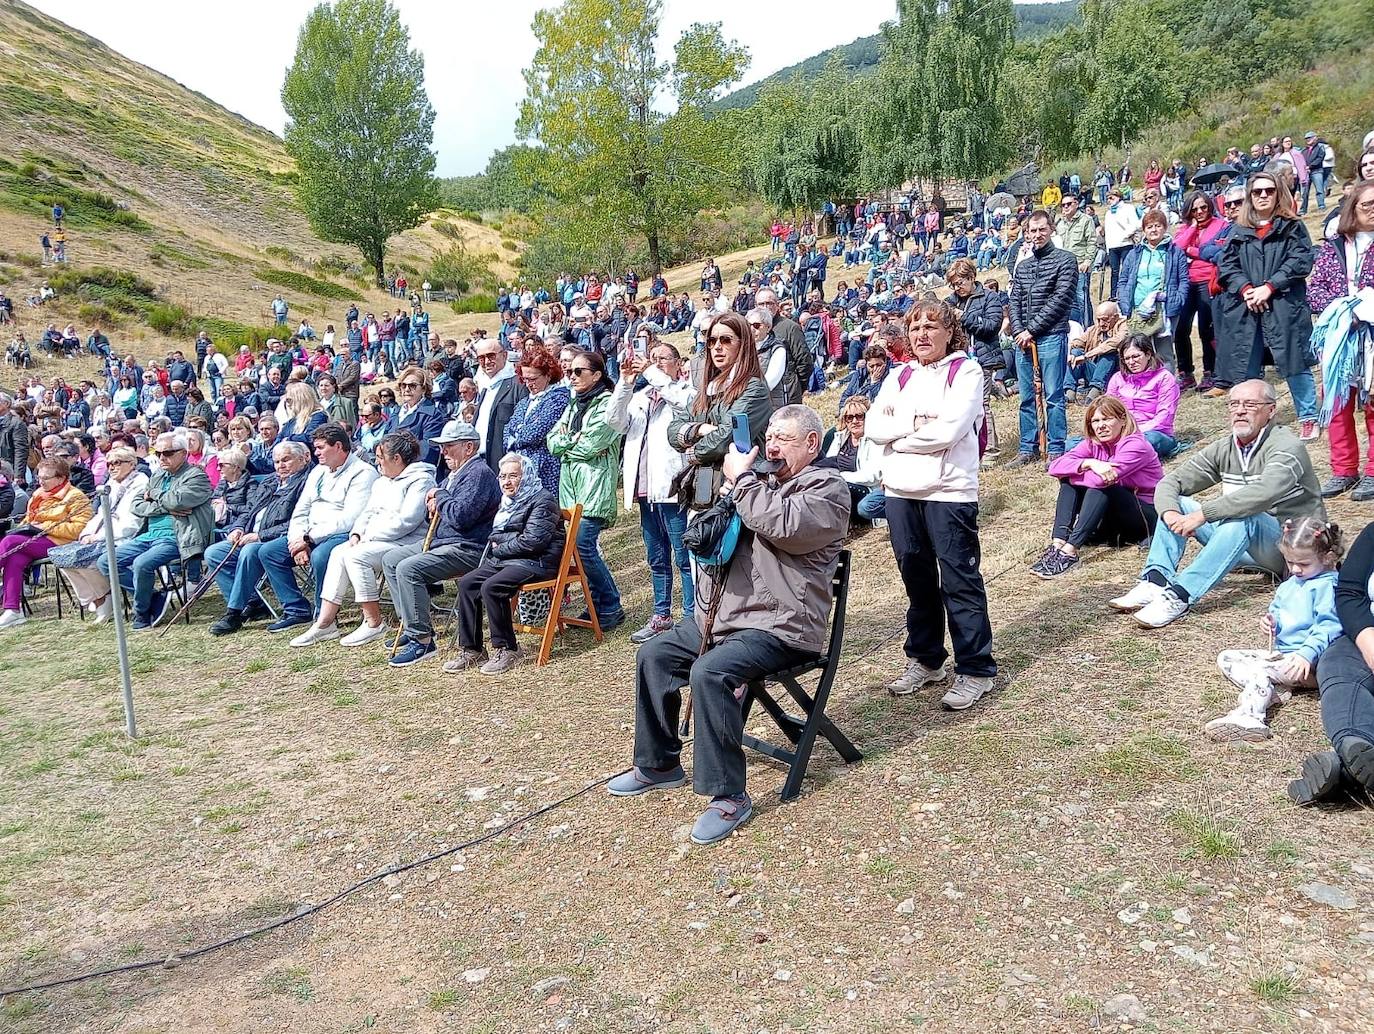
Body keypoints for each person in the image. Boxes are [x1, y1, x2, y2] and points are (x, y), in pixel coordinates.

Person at [606, 404, 849, 845]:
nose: (770, 446)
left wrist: (741, 481)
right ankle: (660, 764)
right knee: (655, 654)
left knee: (710, 670)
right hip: (725, 616)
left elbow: (783, 524)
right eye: (768, 437)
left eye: (783, 439)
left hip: (783, 626)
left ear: (812, 444)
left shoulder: (828, 488)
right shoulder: (760, 483)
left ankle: (729, 796)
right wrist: (724, 494)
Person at [865, 300, 998, 708]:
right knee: (916, 577)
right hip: (901, 490)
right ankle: (926, 659)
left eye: (931, 326)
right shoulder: (900, 375)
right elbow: (873, 425)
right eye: (915, 327)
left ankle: (975, 668)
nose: (922, 334)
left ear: (948, 331)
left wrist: (898, 437)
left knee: (959, 579)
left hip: (949, 492)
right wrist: (915, 424)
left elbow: (950, 430)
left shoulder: (967, 371)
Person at [1109, 379, 1324, 629]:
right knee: (1179, 502)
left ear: (1271, 410)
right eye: (1234, 404)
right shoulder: (1225, 447)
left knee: (1246, 517)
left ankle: (1180, 595)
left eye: (1250, 404)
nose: (1240, 410)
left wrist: (1204, 514)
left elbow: (1263, 493)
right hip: (1241, 543)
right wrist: (1170, 514)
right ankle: (1155, 579)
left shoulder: (1287, 446)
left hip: (1291, 548)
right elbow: (1171, 483)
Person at [290, 431, 435, 648]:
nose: (377, 463)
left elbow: (407, 521)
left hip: (407, 541)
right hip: (374, 539)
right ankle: (325, 622)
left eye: (380, 458)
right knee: (339, 552)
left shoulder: (421, 480)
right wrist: (357, 533)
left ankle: (373, 622)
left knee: (356, 557)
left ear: (397, 459)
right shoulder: (382, 482)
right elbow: (366, 513)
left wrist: (367, 537)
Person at [1204, 517, 1341, 743]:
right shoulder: (1289, 584)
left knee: (1260, 670)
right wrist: (1271, 622)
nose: (1295, 569)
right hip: (1283, 655)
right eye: (1289, 562)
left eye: (1304, 564)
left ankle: (1250, 717)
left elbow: (1329, 625)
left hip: (1307, 662)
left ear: (1327, 558)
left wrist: (1306, 653)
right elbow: (1277, 611)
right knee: (1226, 657)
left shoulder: (1327, 585)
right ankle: (1271, 690)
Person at [385, 421, 502, 667]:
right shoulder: (456, 474)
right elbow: (448, 506)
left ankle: (423, 641)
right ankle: (412, 622)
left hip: (469, 548)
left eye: (449, 446)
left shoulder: (479, 473)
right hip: (444, 542)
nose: (443, 452)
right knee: (391, 560)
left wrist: (439, 496)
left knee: (409, 568)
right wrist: (438, 498)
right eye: (442, 447)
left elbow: (461, 516)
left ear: (469, 447)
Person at [1214, 172, 1318, 440]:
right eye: (1257, 191)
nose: (1263, 196)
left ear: (1277, 193)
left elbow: (1300, 261)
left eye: (1269, 191)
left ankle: (1308, 416)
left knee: (1294, 361)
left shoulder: (1291, 226)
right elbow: (1227, 267)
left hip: (1283, 305)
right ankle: (1250, 422)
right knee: (1246, 367)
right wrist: (1247, 289)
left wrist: (1269, 287)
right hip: (1246, 308)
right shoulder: (1238, 230)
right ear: (1250, 196)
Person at [607, 341, 696, 645]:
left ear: (677, 364)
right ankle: (661, 614)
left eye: (662, 359)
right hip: (646, 491)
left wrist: (652, 372)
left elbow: (685, 406)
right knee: (656, 557)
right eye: (651, 359)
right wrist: (624, 382)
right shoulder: (641, 398)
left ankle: (690, 617)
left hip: (673, 489)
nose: (655, 364)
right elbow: (614, 421)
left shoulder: (684, 391)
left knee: (684, 556)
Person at [447, 453, 564, 677]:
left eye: (513, 476)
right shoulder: (507, 501)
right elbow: (498, 535)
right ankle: (472, 649)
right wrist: (500, 545)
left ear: (526, 476)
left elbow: (533, 541)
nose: (506, 482)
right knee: (467, 583)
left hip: (536, 562)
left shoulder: (543, 499)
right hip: (508, 559)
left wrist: (498, 546)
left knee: (492, 586)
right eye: (502, 476)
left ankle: (507, 649)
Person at [257, 425, 378, 633]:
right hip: (309, 533)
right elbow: (301, 509)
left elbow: (350, 518)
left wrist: (309, 538)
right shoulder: (318, 471)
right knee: (269, 552)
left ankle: (325, 618)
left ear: (338, 446)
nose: (316, 453)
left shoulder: (363, 473)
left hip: (342, 534)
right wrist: (298, 541)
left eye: (321, 448)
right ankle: (296, 609)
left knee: (322, 556)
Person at [1035, 397, 1163, 579]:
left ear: (1122, 420)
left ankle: (1070, 552)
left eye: (1107, 419)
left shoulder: (1136, 445)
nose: (1101, 426)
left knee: (1101, 486)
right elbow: (1055, 467)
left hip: (1145, 518)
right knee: (1068, 481)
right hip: (1114, 518)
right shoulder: (1093, 444)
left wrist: (1077, 472)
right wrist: (1090, 463)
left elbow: (1100, 482)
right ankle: (1057, 544)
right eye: (1096, 421)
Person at [97, 431, 214, 630]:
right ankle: (152, 597)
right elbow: (137, 505)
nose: (161, 457)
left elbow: (177, 500)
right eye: (158, 453)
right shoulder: (158, 475)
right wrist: (168, 504)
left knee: (142, 564)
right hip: (149, 535)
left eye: (168, 453)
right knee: (106, 561)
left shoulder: (196, 476)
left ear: (183, 453)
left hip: (179, 537)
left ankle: (141, 613)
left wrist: (155, 494)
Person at [1294, 521, 1374, 803]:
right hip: (1365, 637)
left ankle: (1345, 773)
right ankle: (1355, 746)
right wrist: (1367, 640)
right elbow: (1350, 591)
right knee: (1337, 668)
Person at [544, 349, 624, 630]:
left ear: (597, 374)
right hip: (571, 489)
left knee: (584, 547)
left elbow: (592, 444)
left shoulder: (606, 404)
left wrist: (568, 441)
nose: (572, 377)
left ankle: (611, 605)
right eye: (569, 372)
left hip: (594, 488)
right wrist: (570, 441)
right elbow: (552, 441)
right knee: (578, 550)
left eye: (579, 372)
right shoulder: (574, 404)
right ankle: (599, 606)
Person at [1309, 181, 1374, 500]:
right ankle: (1344, 470)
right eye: (1367, 205)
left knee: (1373, 403)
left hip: (1372, 334)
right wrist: (1342, 306)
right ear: (1353, 209)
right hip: (1339, 335)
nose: (1373, 209)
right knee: (1337, 402)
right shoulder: (1333, 246)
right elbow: (1315, 288)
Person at [668, 312, 773, 511]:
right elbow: (673, 430)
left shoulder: (754, 388)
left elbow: (726, 437)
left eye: (726, 340)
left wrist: (691, 452)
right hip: (704, 491)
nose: (717, 347)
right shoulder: (708, 389)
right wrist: (699, 429)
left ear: (743, 344)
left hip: (739, 491)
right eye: (712, 340)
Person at [205, 442, 312, 636]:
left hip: (279, 538)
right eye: (277, 461)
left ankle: (234, 613)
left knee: (251, 551)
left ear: (303, 458)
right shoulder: (270, 481)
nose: (280, 465)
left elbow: (301, 520)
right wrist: (238, 527)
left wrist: (260, 536)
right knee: (214, 553)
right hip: (250, 536)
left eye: (286, 460)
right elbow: (248, 510)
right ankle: (252, 603)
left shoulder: (307, 481)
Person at [1007, 210, 1079, 465]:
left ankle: (1056, 447)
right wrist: (1018, 330)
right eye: (1032, 231)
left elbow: (1060, 300)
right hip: (1023, 340)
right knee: (1026, 396)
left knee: (1053, 396)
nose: (1037, 235)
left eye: (1041, 230)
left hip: (1050, 336)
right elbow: (1014, 300)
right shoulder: (1023, 266)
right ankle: (1028, 447)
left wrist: (1032, 329)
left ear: (1051, 230)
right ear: (1026, 233)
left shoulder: (1066, 260)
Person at [47, 446, 147, 621]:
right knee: (64, 559)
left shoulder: (140, 483)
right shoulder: (111, 485)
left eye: (116, 463)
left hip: (126, 537)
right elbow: (100, 514)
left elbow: (131, 524)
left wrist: (98, 537)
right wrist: (86, 533)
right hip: (102, 534)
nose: (111, 468)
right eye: (109, 464)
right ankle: (97, 598)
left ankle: (106, 598)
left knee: (88, 560)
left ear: (131, 464)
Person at [0, 457, 92, 629]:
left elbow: (79, 529)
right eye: (39, 478)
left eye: (45, 478)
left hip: (60, 542)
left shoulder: (76, 496)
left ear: (61, 478)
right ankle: (13, 610)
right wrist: (25, 528)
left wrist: (45, 527)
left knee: (10, 542)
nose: (40, 481)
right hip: (35, 539)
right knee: (15, 558)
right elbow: (29, 519)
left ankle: (12, 610)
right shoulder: (37, 494)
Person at [1116, 208, 1189, 371]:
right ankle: (1142, 388)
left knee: (1164, 352)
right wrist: (1124, 301)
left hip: (1164, 309)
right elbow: (1123, 279)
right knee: (1138, 351)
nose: (1153, 230)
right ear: (1144, 230)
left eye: (1157, 226)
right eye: (1149, 227)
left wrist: (1177, 299)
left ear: (1165, 228)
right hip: (1138, 310)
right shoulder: (1134, 254)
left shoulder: (1175, 253)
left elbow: (1184, 280)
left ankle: (1168, 389)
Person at [1171, 189, 1227, 391]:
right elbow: (1177, 248)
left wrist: (1193, 251)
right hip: (1187, 282)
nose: (1200, 211)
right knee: (1180, 328)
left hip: (1208, 281)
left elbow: (1218, 253)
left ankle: (1210, 372)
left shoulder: (1221, 226)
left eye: (1204, 207)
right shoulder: (1185, 228)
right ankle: (1185, 372)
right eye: (1195, 209)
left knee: (1206, 329)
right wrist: (1193, 228)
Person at [503, 346, 569, 495]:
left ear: (548, 375)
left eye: (533, 379)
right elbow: (506, 432)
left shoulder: (558, 398)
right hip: (521, 472)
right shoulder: (525, 402)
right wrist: (519, 431)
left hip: (545, 471)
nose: (528, 384)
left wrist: (517, 432)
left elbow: (533, 434)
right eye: (525, 379)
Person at [1107, 334, 1181, 458]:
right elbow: (1107, 410)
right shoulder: (1117, 378)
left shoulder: (1164, 378)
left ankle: (1115, 456)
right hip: (1122, 432)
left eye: (1136, 356)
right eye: (1127, 358)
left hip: (1154, 432)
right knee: (1074, 443)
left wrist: (1134, 433)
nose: (1131, 362)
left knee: (1149, 441)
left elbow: (1164, 416)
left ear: (1148, 354)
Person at [823, 395, 884, 523]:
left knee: (838, 487)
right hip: (838, 484)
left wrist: (841, 477)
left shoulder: (876, 439)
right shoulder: (839, 437)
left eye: (859, 416)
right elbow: (828, 464)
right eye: (849, 417)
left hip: (865, 490)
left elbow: (873, 476)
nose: (854, 421)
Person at [392, 368, 447, 466]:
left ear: (424, 389)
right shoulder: (396, 412)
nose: (407, 389)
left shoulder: (433, 415)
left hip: (415, 470)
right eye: (403, 385)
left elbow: (428, 452)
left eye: (412, 385)